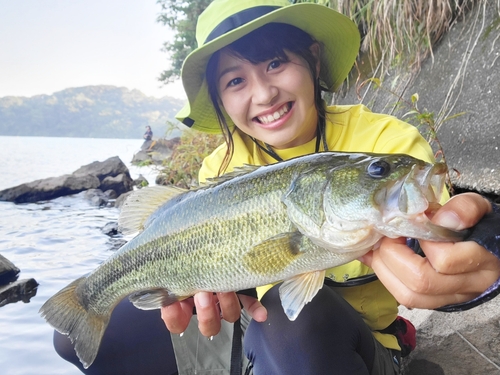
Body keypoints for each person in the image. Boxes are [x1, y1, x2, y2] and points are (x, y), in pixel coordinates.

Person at [53, 1, 500, 374]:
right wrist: (205, 287)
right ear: (221, 101)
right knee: (74, 337)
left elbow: (453, 234)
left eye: (275, 62)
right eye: (235, 81)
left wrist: (486, 242)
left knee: (298, 320)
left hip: (348, 342)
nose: (264, 94)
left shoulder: (385, 145)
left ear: (313, 59)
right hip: (253, 327)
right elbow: (229, 289)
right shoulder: (220, 168)